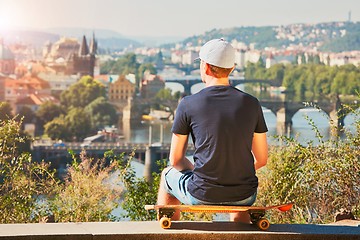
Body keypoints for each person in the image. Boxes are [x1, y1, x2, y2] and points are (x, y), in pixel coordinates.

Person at [157, 38, 268, 223]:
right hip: (245, 195)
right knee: (240, 197)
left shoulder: (187, 104)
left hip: (201, 193)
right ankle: (240, 233)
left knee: (167, 175)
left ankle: (170, 231)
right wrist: (234, 171)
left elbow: (175, 160)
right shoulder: (252, 103)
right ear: (231, 69)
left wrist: (200, 172)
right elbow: (262, 159)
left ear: (206, 67)